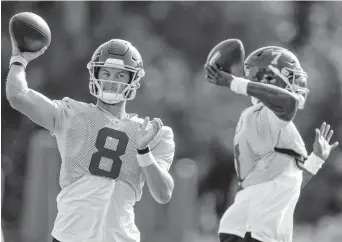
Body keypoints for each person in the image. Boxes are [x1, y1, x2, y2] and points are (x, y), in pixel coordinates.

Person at [6, 38, 175, 242]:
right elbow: (18, 96)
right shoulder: (70, 114)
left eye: (120, 75)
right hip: (69, 236)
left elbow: (163, 193)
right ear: (95, 75)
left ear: (133, 79)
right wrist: (19, 60)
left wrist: (144, 151)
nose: (112, 81)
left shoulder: (152, 132)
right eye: (106, 73)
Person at [204, 46, 339, 242]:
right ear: (268, 80)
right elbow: (289, 103)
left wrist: (316, 160)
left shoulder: (274, 123)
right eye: (291, 77)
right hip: (252, 230)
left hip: (256, 230)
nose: (298, 84)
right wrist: (234, 82)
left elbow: (287, 186)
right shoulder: (264, 115)